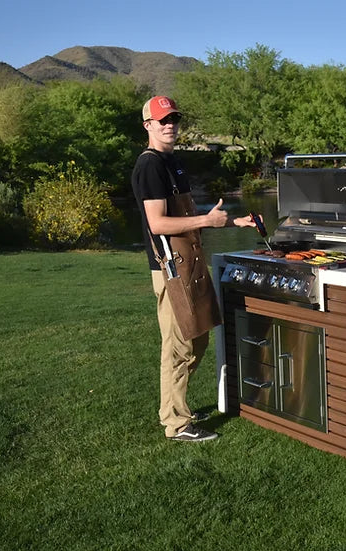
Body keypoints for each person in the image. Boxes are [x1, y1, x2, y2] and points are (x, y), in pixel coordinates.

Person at [131, 95, 258, 442]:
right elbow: (157, 223)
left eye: (174, 119)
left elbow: (187, 216)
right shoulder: (150, 166)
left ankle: (174, 408)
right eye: (162, 121)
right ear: (148, 126)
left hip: (191, 266)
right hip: (172, 269)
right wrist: (208, 221)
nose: (170, 125)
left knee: (195, 341)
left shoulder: (173, 163)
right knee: (179, 348)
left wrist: (233, 221)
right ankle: (176, 423)